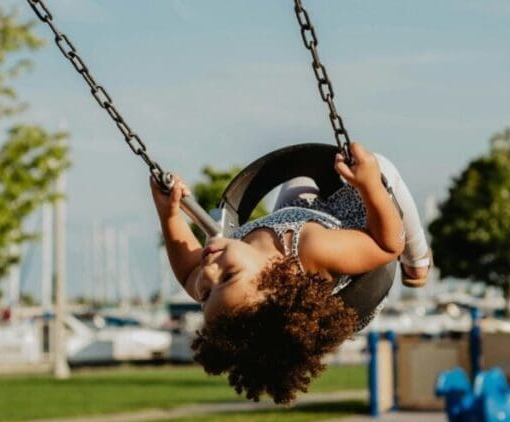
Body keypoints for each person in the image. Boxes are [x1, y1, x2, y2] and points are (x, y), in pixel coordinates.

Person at [151, 142, 431, 404]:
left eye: (206, 292)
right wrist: (370, 186)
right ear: (280, 278)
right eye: (228, 276)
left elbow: (189, 273)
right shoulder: (313, 249)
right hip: (358, 225)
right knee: (381, 169)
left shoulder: (233, 279)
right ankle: (418, 260)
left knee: (300, 176)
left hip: (296, 215)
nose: (209, 270)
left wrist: (169, 214)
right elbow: (386, 246)